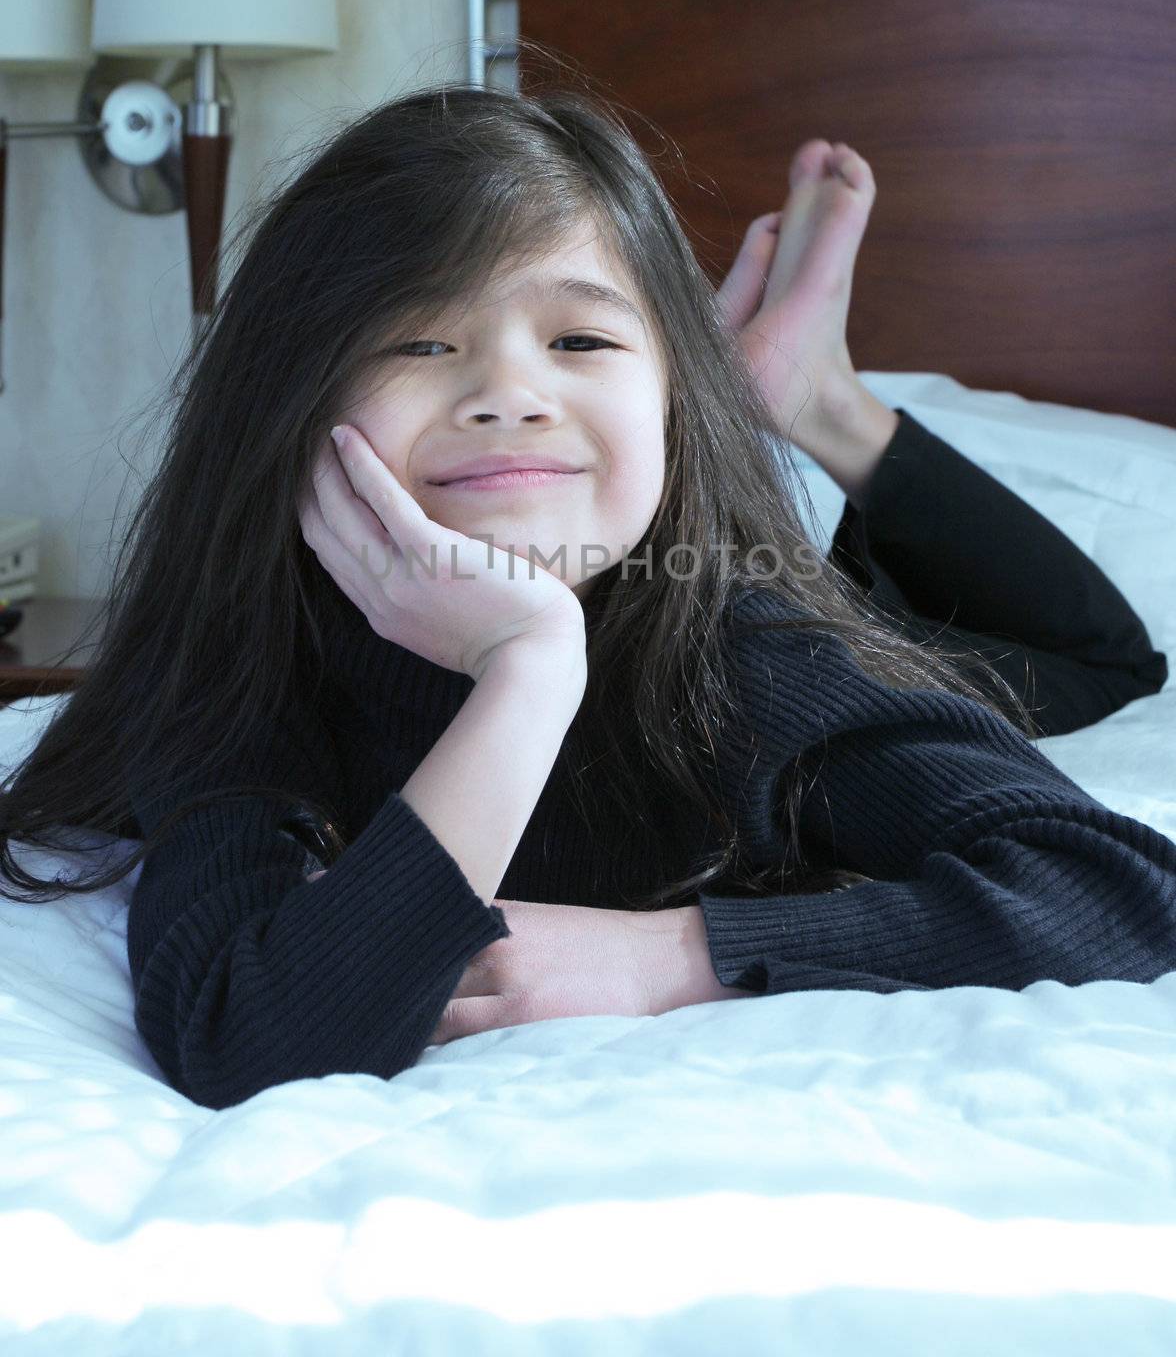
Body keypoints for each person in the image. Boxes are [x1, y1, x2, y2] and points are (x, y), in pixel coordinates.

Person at [0, 84, 1172, 1114]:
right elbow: (248, 1036)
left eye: (579, 336)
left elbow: (1125, 887)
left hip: (726, 594)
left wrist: (679, 955)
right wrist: (528, 668)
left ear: (673, 396)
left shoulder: (747, 646)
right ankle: (797, 383)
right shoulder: (247, 667)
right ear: (291, 400)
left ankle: (818, 397)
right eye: (417, 340)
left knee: (1094, 665)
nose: (509, 392)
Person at [711, 138, 1168, 738]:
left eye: (584, 344)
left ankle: (782, 401)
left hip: (699, 622)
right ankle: (816, 403)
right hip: (725, 662)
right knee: (1113, 664)